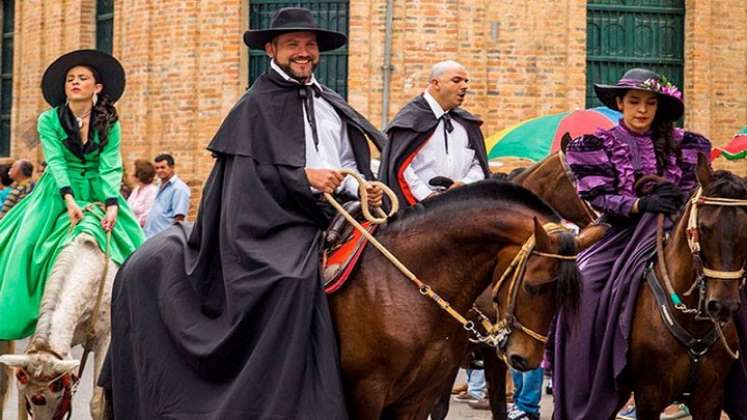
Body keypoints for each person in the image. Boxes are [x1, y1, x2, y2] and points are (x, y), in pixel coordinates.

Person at [100, 7, 386, 419]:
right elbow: (245, 176)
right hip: (268, 218)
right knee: (288, 278)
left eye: (310, 46)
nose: (303, 53)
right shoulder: (254, 105)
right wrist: (303, 177)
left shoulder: (330, 102)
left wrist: (362, 183)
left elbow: (344, 161)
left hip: (333, 211)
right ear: (271, 49)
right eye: (293, 45)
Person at [552, 68, 721, 419]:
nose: (642, 110)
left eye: (649, 103)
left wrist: (679, 199)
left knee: (731, 280)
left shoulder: (688, 144)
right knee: (584, 283)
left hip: (677, 228)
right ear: (619, 103)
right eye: (634, 102)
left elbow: (697, 189)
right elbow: (597, 195)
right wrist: (638, 204)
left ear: (659, 107)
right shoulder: (596, 144)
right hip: (619, 232)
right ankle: (585, 386)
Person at [0, 49, 144, 340]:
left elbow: (110, 163)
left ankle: (135, 320)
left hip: (98, 190)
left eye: (82, 78)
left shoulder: (110, 121)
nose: (75, 83)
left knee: (137, 248)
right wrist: (67, 198)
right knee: (23, 244)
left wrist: (113, 203)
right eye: (70, 79)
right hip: (56, 190)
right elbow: (56, 161)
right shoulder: (48, 120)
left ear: (97, 86)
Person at [379, 60, 490, 206]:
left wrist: (465, 184)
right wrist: (429, 197)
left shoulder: (467, 124)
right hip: (416, 212)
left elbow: (479, 164)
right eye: (456, 80)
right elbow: (400, 169)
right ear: (436, 83)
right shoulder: (410, 120)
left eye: (466, 81)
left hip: (462, 208)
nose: (464, 86)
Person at [142, 153, 190, 237]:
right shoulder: (158, 185)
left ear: (172, 167)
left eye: (163, 167)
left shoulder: (179, 188)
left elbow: (179, 219)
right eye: (157, 168)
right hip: (150, 237)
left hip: (165, 239)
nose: (159, 170)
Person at [126, 159, 157, 227]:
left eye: (133, 171)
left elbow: (147, 215)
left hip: (143, 231)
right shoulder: (136, 189)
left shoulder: (152, 191)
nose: (130, 173)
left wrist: (134, 225)